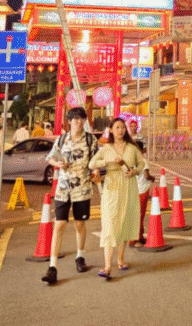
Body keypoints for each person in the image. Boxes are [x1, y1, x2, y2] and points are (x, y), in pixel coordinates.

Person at [41, 107, 99, 286]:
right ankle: (52, 267)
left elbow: (97, 161)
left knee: (80, 224)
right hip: (63, 189)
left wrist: (96, 170)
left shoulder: (90, 140)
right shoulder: (62, 138)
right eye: (75, 119)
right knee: (59, 225)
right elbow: (50, 157)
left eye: (81, 119)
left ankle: (80, 256)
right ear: (69, 121)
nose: (78, 122)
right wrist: (57, 163)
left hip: (82, 188)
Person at [88, 118, 142, 280]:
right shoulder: (106, 148)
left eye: (122, 127)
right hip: (112, 187)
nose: (121, 130)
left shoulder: (132, 148)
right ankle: (107, 266)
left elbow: (141, 164)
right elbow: (92, 163)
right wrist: (107, 162)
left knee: (124, 221)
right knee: (110, 224)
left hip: (129, 186)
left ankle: (120, 260)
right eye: (117, 127)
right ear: (111, 130)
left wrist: (134, 172)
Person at [128, 139, 154, 248]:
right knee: (140, 216)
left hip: (133, 191)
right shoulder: (143, 161)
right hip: (142, 191)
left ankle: (139, 236)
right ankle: (136, 239)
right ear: (143, 150)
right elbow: (147, 175)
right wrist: (152, 178)